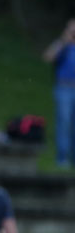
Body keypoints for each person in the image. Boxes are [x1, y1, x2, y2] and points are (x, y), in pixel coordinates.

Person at [42, 19, 75, 168]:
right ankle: (62, 158)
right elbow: (48, 57)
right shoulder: (62, 45)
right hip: (64, 89)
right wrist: (63, 40)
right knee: (64, 122)